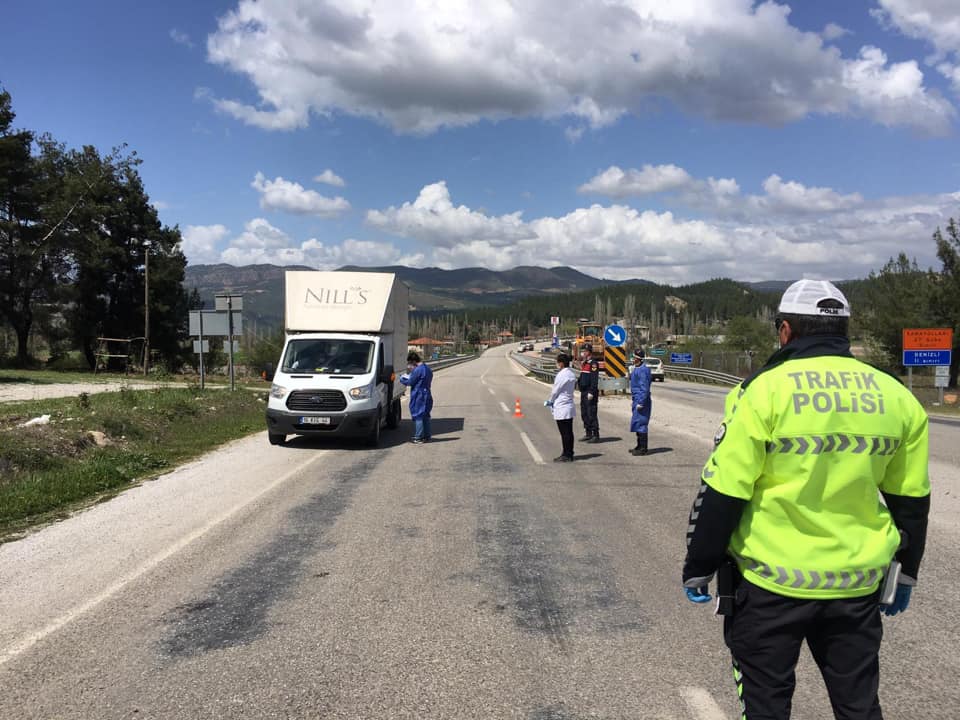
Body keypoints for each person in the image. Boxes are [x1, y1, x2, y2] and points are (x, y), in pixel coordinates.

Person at [681, 279, 930, 720]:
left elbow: (724, 491)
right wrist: (906, 573)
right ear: (844, 332)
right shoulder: (897, 395)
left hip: (769, 585)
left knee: (766, 705)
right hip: (856, 584)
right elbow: (911, 500)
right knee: (858, 705)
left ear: (785, 330)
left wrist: (699, 565)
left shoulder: (761, 390)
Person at [544, 352, 577, 462]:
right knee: (569, 432)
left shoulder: (562, 375)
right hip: (568, 405)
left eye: (557, 362)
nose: (557, 364)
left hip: (562, 406)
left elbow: (555, 391)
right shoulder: (571, 373)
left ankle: (566, 454)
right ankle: (569, 452)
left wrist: (550, 401)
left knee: (564, 433)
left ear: (561, 363)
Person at [400, 351, 433, 444]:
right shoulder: (428, 369)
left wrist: (401, 378)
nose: (409, 365)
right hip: (427, 393)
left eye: (410, 363)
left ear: (413, 362)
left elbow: (410, 382)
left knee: (418, 415)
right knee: (426, 415)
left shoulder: (417, 370)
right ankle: (427, 436)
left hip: (419, 395)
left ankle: (418, 437)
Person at [629, 348, 652, 455]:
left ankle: (643, 448)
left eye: (634, 357)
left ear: (638, 359)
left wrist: (641, 402)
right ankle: (638, 446)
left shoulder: (643, 370)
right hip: (636, 399)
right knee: (637, 422)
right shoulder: (637, 368)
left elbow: (644, 388)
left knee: (642, 423)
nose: (632, 359)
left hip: (642, 400)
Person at [578, 343, 600, 442]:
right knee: (584, 413)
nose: (583, 353)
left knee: (591, 413)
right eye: (582, 351)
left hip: (590, 392)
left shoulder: (593, 364)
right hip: (583, 391)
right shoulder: (585, 363)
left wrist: (592, 391)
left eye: (584, 351)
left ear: (589, 352)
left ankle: (595, 434)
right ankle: (588, 433)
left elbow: (594, 379)